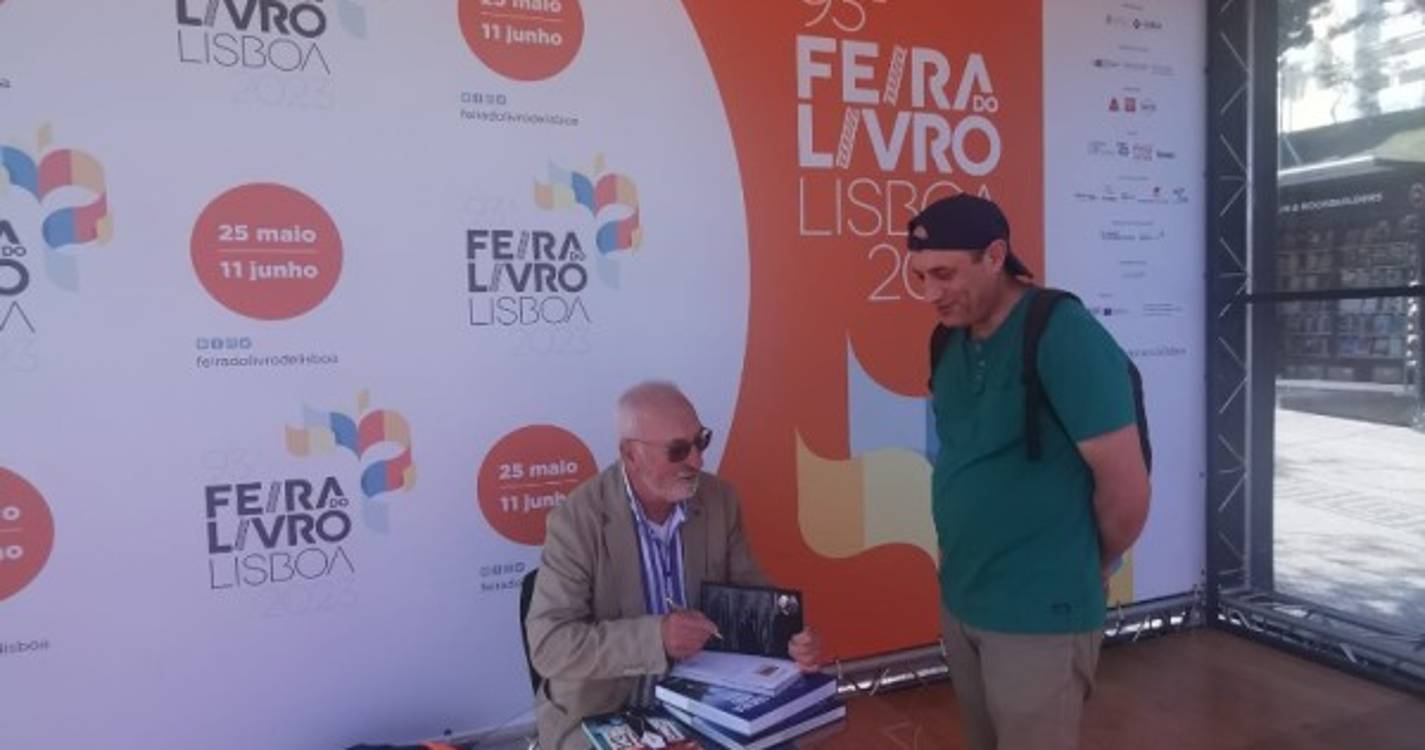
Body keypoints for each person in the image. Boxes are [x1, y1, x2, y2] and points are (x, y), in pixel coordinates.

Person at [906, 195, 1151, 750]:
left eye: (944, 274)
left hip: (1041, 611)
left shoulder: (1063, 333)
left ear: (995, 256)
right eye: (919, 276)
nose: (930, 293)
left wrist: (1081, 563)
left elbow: (1127, 488)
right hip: (965, 597)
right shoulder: (947, 339)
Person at [524, 381, 822, 749]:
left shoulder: (719, 500)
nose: (696, 461)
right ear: (630, 455)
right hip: (602, 712)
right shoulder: (577, 521)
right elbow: (549, 646)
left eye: (701, 441)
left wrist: (790, 638)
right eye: (678, 450)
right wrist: (657, 638)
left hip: (702, 702)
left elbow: (754, 597)